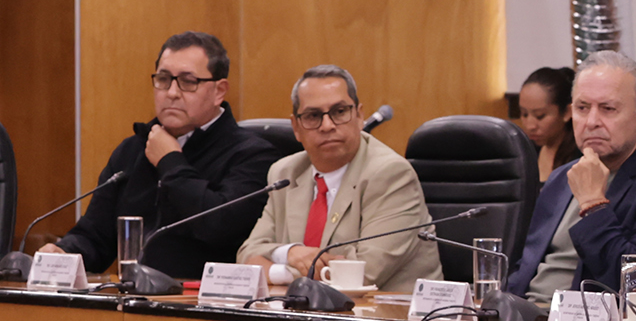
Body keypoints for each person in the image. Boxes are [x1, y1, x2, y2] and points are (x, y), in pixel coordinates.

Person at [49, 31, 276, 280]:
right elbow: (96, 236)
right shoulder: (133, 150)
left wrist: (170, 162)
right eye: (164, 79)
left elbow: (219, 227)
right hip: (133, 295)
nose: (172, 92)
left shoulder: (253, 155)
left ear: (219, 91)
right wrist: (64, 253)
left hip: (204, 297)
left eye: (188, 82)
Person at [505, 51, 636, 303]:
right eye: (582, 108)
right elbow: (525, 266)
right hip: (527, 314)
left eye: (608, 109)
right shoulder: (561, 177)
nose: (592, 121)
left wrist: (593, 204)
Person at [235, 65, 442, 292]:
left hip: (392, 311)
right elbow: (248, 253)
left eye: (339, 112)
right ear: (296, 127)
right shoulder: (286, 173)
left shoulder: (390, 174)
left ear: (359, 116)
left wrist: (276, 271)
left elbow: (363, 273)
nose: (327, 125)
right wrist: (291, 252)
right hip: (302, 310)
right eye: (313, 116)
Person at [516, 65, 580, 183]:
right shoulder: (523, 153)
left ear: (567, 112)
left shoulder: (581, 159)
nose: (530, 126)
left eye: (540, 116)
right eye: (524, 114)